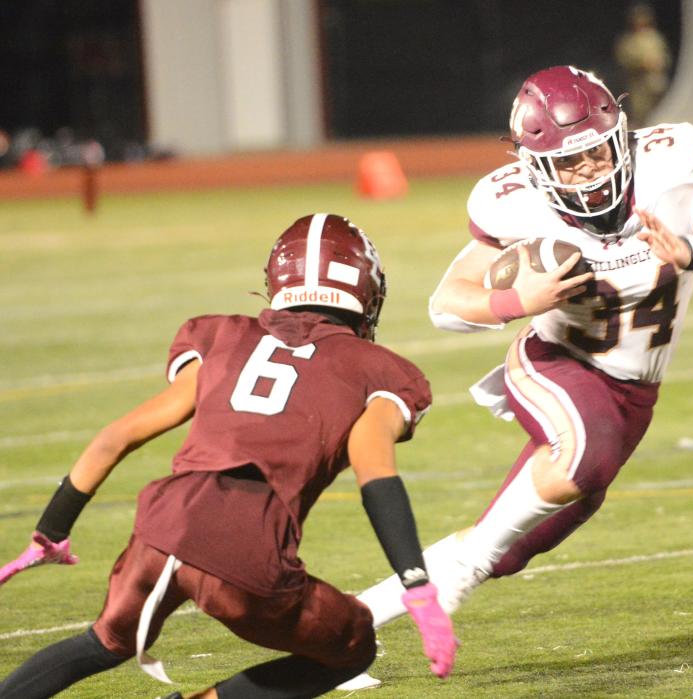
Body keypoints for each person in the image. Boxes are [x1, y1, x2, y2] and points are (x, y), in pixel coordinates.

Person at [343, 64, 693, 687]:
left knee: (516, 545)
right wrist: (516, 303)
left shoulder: (669, 167)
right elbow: (448, 302)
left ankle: (335, 632)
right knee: (585, 457)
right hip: (556, 366)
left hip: (633, 392)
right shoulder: (517, 207)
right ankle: (459, 577)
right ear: (535, 167)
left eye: (598, 153)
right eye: (571, 163)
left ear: (621, 135)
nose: (592, 173)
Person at [0, 213, 458, 699]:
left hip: (161, 528)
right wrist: (417, 587)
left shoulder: (223, 335)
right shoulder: (380, 370)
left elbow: (118, 436)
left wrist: (51, 531)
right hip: (243, 548)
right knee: (352, 644)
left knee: (105, 641)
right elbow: (376, 475)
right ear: (369, 291)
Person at [615, 3, 672, 126]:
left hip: (655, 80)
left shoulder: (654, 38)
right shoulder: (629, 40)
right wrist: (642, 63)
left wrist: (659, 62)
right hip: (638, 84)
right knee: (641, 112)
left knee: (661, 109)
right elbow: (625, 59)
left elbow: (665, 56)